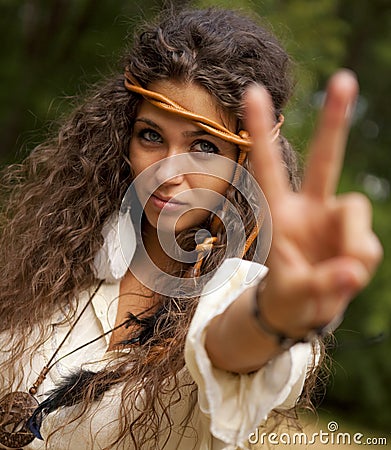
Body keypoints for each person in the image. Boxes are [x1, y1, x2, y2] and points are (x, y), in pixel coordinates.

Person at [0, 5, 382, 450]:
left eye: (203, 146)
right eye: (151, 135)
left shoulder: (233, 295)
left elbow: (230, 346)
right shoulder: (57, 256)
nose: (167, 171)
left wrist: (274, 314)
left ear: (243, 162)